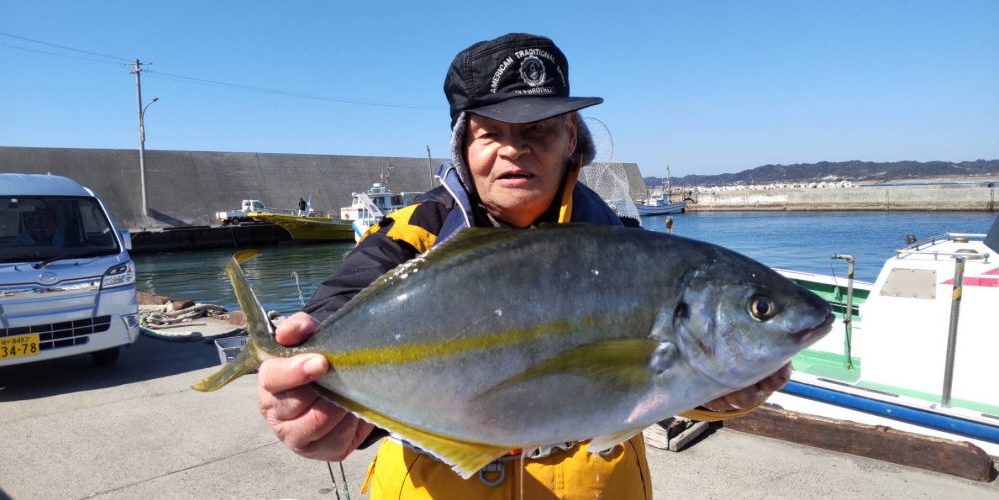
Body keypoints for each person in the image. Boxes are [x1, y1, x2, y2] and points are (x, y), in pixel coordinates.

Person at [258, 33, 791, 499]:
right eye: (491, 132)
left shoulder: (624, 246)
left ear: (570, 138)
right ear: (464, 145)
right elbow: (338, 307)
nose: (515, 150)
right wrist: (318, 391)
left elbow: (657, 379)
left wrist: (721, 396)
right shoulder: (410, 234)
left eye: (538, 131)